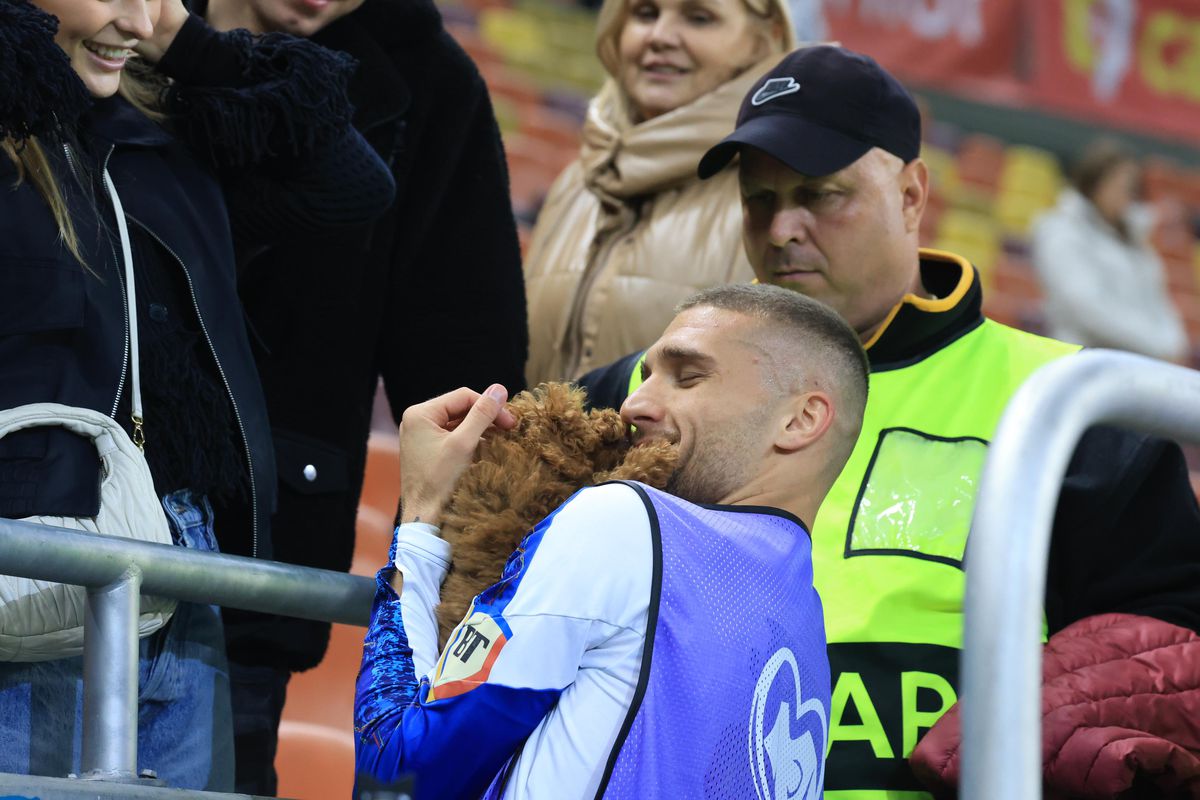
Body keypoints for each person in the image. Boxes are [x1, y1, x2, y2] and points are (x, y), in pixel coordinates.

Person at [580, 46, 1200, 798]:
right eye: (759, 199)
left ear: (911, 195)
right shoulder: (638, 392)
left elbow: (1164, 659)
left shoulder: (1067, 407)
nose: (782, 228)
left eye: (820, 194)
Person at [0, 0, 393, 790]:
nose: (140, 21)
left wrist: (191, 45)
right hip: (35, 563)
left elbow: (354, 185)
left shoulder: (161, 138)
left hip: (185, 562)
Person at [192, 0, 529, 793]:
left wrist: (441, 610)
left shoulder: (431, 83)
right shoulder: (109, 25)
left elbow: (466, 384)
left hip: (250, 581)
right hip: (53, 521)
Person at [354, 283, 870, 799]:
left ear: (801, 420)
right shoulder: (807, 628)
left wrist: (421, 518)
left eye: (688, 377)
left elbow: (400, 777)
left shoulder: (623, 521)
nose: (632, 404)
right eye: (645, 377)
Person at [521, 0, 796, 386]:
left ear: (764, 38)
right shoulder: (578, 180)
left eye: (699, 18)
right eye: (645, 13)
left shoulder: (778, 191)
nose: (660, 36)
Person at [1031, 139, 1190, 362]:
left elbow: (1159, 303)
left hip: (1138, 364)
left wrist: (1174, 346)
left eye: (1130, 187)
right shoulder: (1060, 230)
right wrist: (1157, 347)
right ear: (1095, 183)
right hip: (1081, 361)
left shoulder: (1136, 242)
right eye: (1119, 185)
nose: (1125, 194)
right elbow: (1085, 306)